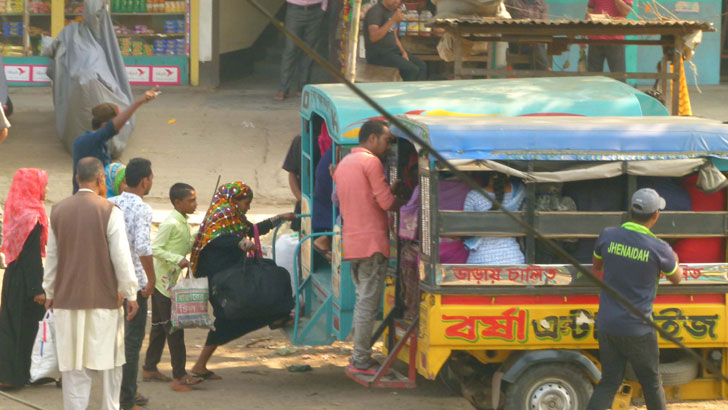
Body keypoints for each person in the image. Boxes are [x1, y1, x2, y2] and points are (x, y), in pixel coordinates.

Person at [43, 157, 139, 410]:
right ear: (100, 179)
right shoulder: (108, 211)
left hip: (67, 301)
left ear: (77, 178)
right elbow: (121, 257)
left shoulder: (58, 210)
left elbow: (51, 257)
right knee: (110, 365)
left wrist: (50, 291)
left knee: (74, 368)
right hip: (104, 301)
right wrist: (131, 294)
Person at [586, 188, 682, 410]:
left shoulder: (608, 235)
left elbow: (597, 265)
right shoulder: (660, 248)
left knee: (609, 382)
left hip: (608, 325)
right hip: (639, 330)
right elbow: (676, 278)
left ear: (631, 210)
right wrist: (673, 258)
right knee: (651, 383)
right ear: (656, 215)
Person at [189, 182, 295, 380]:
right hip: (220, 280)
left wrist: (279, 218)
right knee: (236, 312)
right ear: (234, 201)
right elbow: (218, 239)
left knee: (227, 319)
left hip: (232, 275)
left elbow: (252, 229)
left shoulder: (234, 217)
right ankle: (276, 316)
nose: (248, 207)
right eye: (246, 203)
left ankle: (200, 366)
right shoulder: (220, 217)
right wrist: (239, 242)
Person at [333, 119, 403, 374]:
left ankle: (359, 353)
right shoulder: (371, 162)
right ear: (372, 139)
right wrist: (400, 199)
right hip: (372, 243)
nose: (388, 146)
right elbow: (385, 203)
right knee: (368, 303)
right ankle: (361, 358)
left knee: (364, 300)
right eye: (386, 141)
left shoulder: (344, 164)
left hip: (352, 242)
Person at [142, 183, 203, 392]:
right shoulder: (171, 223)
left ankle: (149, 368)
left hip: (166, 282)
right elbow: (155, 248)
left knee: (160, 326)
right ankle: (180, 376)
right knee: (174, 328)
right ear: (178, 203)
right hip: (163, 282)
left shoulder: (183, 222)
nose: (195, 204)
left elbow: (183, 246)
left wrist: (198, 236)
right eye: (191, 200)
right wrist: (177, 259)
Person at [109, 158, 155, 410]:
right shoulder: (143, 209)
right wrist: (152, 278)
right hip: (135, 286)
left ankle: (119, 393)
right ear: (145, 180)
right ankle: (126, 398)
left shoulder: (108, 204)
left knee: (111, 340)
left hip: (110, 283)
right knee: (131, 343)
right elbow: (143, 247)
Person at [0, 169, 48, 389]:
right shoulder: (33, 217)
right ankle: (19, 376)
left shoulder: (14, 209)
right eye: (42, 185)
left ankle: (8, 374)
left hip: (11, 275)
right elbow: (31, 256)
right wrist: (37, 289)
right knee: (27, 327)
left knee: (9, 326)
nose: (45, 189)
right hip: (27, 280)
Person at [72, 86, 158, 193]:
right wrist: (139, 102)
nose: (121, 128)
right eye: (120, 123)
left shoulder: (99, 143)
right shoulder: (90, 141)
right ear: (104, 124)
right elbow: (113, 127)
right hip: (88, 199)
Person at [463, 173, 526, 265]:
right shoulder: (520, 191)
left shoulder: (474, 196)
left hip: (481, 259)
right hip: (512, 258)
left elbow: (465, 229)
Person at [274, 0, 325, 100]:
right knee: (290, 49)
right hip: (295, 10)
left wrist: (323, 7)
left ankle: (303, 87)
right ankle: (283, 89)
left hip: (316, 10)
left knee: (308, 51)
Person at [364, 0, 427, 81]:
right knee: (411, 70)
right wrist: (393, 20)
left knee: (422, 66)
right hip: (379, 55)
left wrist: (403, 51)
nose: (397, 1)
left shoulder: (393, 11)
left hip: (393, 51)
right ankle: (407, 92)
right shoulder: (376, 11)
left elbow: (393, 35)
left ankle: (417, 92)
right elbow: (373, 37)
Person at [584, 0, 633, 74]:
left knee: (618, 76)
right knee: (593, 76)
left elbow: (625, 12)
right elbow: (589, 12)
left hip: (615, 39)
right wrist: (583, 36)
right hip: (595, 39)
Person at [504, 0, 550, 70]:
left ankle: (543, 71)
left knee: (537, 44)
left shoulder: (542, 4)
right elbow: (502, 17)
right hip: (517, 43)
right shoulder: (511, 2)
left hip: (536, 43)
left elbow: (544, 26)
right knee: (536, 46)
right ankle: (546, 69)